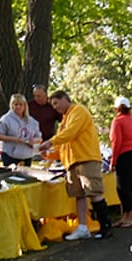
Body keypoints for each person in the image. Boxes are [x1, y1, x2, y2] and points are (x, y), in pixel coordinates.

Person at [40, 90, 113, 240]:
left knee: (94, 192)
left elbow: (71, 133)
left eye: (56, 103)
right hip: (71, 162)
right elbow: (62, 145)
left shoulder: (79, 111)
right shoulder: (64, 119)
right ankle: (82, 227)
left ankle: (105, 226)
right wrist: (48, 154)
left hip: (86, 157)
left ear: (64, 99)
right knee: (78, 195)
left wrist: (50, 142)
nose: (55, 107)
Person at [109, 96, 132, 228]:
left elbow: (116, 142)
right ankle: (126, 217)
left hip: (125, 155)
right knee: (129, 187)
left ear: (116, 109)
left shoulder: (117, 121)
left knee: (122, 188)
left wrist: (113, 161)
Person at [0, 94, 42, 167]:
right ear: (12, 105)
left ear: (25, 106)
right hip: (10, 155)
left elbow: (39, 138)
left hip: (27, 156)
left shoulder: (32, 121)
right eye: (16, 104)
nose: (18, 107)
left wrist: (33, 141)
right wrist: (13, 139)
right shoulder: (5, 119)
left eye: (20, 104)